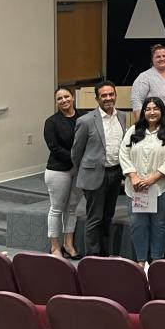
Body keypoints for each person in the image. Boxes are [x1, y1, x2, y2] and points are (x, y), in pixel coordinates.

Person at [119, 98, 165, 267]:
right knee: (137, 223)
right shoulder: (134, 130)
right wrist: (133, 176)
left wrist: (152, 178)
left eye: (156, 109)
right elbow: (123, 154)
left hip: (162, 186)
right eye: (148, 109)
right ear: (143, 112)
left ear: (162, 111)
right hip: (136, 187)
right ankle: (141, 261)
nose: (152, 112)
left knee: (159, 223)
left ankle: (156, 260)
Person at [72, 81, 127, 256]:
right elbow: (76, 153)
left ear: (115, 96)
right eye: (104, 95)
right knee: (94, 219)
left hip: (115, 173)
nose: (108, 98)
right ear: (97, 98)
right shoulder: (86, 121)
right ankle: (92, 259)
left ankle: (105, 255)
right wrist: (87, 171)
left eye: (111, 94)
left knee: (108, 217)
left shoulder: (122, 117)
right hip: (95, 176)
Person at [44, 87, 83, 258]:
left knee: (72, 208)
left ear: (73, 97)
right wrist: (76, 158)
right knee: (57, 209)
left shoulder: (84, 117)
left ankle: (68, 244)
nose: (64, 100)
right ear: (56, 102)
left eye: (67, 96)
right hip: (58, 170)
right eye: (59, 98)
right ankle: (55, 247)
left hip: (80, 169)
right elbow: (54, 147)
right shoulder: (51, 122)